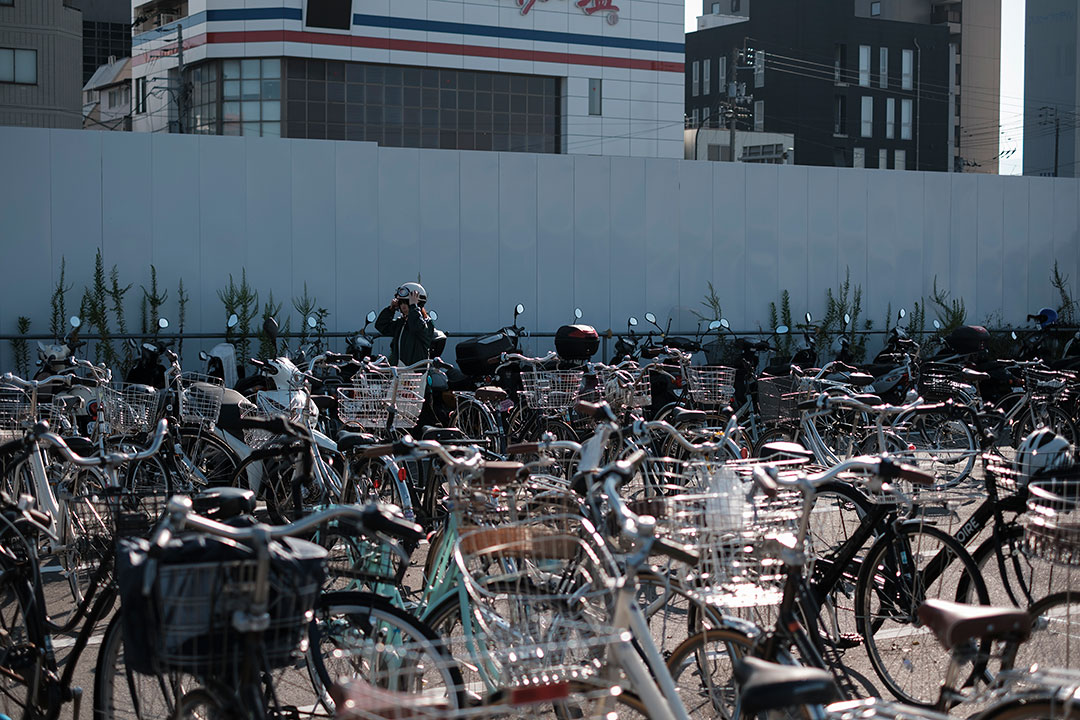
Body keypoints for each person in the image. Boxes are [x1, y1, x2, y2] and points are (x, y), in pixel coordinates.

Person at [375, 282, 434, 366]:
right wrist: (390, 310)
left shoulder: (427, 323)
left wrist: (413, 306)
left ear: (419, 304)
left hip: (417, 369)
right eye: (401, 303)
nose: (403, 306)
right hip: (399, 369)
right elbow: (382, 326)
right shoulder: (401, 323)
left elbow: (416, 327)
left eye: (407, 303)